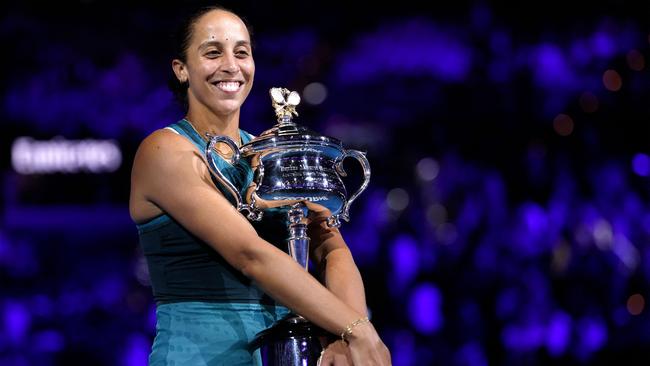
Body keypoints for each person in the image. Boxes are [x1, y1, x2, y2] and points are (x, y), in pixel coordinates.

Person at [129, 5, 391, 366]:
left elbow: (332, 249)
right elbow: (249, 254)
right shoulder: (164, 151)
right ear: (181, 70)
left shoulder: (269, 155)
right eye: (212, 52)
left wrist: (341, 337)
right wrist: (358, 330)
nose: (231, 65)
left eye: (242, 52)